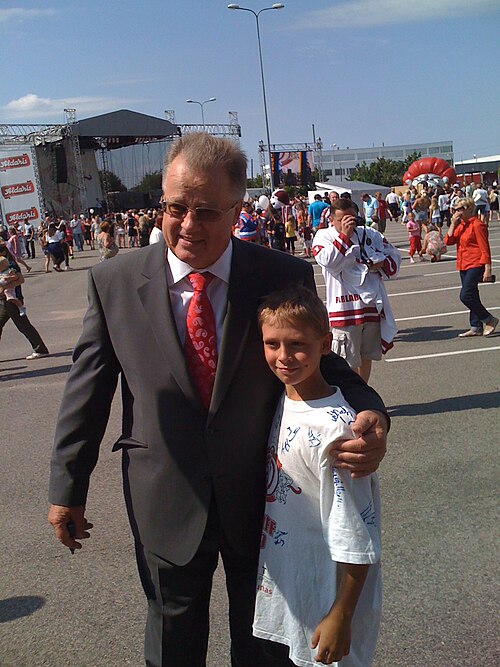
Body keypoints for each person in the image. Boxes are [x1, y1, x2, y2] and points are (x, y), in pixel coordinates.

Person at [48, 133, 389, 667]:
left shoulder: (280, 275)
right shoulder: (113, 282)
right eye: (175, 208)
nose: (187, 225)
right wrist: (67, 487)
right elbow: (87, 393)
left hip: (261, 497)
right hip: (163, 495)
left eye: (206, 212)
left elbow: (326, 361)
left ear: (237, 210)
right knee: (172, 638)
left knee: (261, 641)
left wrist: (374, 414)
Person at [253, 287, 381, 667]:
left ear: (326, 344)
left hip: (330, 600)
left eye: (297, 344)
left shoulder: (337, 430)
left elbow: (357, 532)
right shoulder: (284, 400)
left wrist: (342, 613)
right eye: (272, 344)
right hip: (294, 589)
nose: (283, 356)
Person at [313, 198, 400, 382]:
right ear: (332, 219)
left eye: (352, 218)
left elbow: (394, 256)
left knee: (366, 356)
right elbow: (327, 261)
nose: (349, 223)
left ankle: (362, 392)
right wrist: (344, 236)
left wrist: (381, 263)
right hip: (344, 309)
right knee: (346, 360)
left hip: (370, 306)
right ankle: (350, 398)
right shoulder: (324, 236)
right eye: (343, 219)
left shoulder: (369, 234)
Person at [444, 197, 498, 337]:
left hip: (475, 263)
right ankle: (476, 326)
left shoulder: (477, 225)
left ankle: (489, 319)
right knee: (473, 294)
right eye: (455, 210)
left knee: (465, 295)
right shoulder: (461, 225)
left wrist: (488, 268)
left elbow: (484, 248)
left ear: (469, 209)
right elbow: (448, 241)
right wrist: (452, 224)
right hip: (463, 264)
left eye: (460, 209)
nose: (457, 212)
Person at [0, 243, 49, 359]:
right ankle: (40, 348)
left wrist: (4, 288)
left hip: (12, 300)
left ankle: (40, 349)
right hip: (3, 301)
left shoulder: (10, 265)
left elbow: (20, 280)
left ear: (2, 253)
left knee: (23, 325)